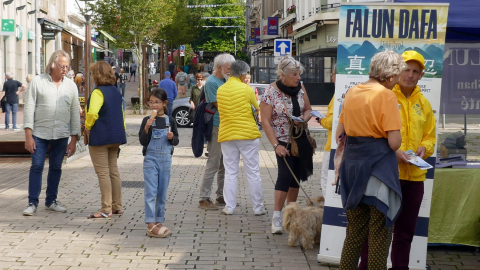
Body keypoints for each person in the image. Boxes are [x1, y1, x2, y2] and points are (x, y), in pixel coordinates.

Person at [358, 51, 436, 270]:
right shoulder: (383, 97)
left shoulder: (424, 103)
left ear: (421, 75)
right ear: (397, 72)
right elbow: (372, 134)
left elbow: (430, 136)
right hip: (386, 175)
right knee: (376, 232)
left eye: (415, 71)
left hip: (414, 178)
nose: (410, 75)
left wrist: (425, 148)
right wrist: (395, 153)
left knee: (405, 233)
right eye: (406, 70)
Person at [336, 50, 406, 270]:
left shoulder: (352, 91)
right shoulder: (386, 95)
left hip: (352, 166)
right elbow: (394, 143)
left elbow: (341, 131)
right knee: (379, 234)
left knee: (354, 234)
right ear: (391, 76)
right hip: (378, 170)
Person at [22, 50, 81, 216]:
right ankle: (32, 202)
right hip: (40, 133)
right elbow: (29, 108)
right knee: (37, 166)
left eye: (67, 66)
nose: (65, 69)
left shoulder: (71, 86)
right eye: (62, 66)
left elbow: (74, 113)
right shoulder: (37, 81)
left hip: (61, 134)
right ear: (52, 64)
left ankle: (51, 201)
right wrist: (28, 135)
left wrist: (74, 139)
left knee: (56, 167)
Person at [260, 56, 313, 234]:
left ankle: (291, 215)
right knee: (284, 175)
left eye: (299, 74)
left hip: (300, 139)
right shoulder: (270, 92)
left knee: (295, 177)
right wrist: (276, 145)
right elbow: (266, 121)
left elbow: (308, 109)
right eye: (295, 74)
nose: (298, 78)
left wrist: (303, 120)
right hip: (282, 139)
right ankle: (276, 216)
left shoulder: (300, 87)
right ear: (283, 75)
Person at [217, 60, 265, 215]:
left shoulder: (221, 90)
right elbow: (258, 108)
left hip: (227, 134)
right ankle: (258, 208)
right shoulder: (246, 89)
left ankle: (229, 207)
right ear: (243, 74)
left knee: (230, 172)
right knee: (253, 172)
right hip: (248, 135)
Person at [84, 61, 127, 219]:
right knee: (113, 171)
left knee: (103, 173)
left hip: (100, 136)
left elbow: (93, 113)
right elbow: (121, 114)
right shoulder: (115, 92)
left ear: (97, 74)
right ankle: (117, 206)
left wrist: (87, 127)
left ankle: (106, 209)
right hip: (116, 136)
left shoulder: (98, 92)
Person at [139, 89, 179, 237]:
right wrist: (147, 128)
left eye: (157, 102)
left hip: (165, 160)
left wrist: (171, 137)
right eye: (151, 102)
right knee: (151, 191)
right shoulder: (146, 120)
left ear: (164, 103)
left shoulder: (171, 121)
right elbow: (143, 141)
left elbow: (176, 141)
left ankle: (159, 219)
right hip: (150, 160)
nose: (154, 105)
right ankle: (150, 223)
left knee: (162, 193)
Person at [198, 53, 235, 210]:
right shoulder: (212, 82)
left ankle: (221, 195)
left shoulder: (225, 80)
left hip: (226, 125)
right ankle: (204, 198)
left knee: (224, 163)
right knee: (213, 161)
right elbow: (221, 105)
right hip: (216, 125)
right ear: (219, 67)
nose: (231, 70)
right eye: (228, 68)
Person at [318, 64, 336, 198]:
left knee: (326, 175)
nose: (331, 77)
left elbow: (332, 122)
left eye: (333, 74)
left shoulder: (338, 96)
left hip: (333, 144)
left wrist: (321, 120)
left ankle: (327, 204)